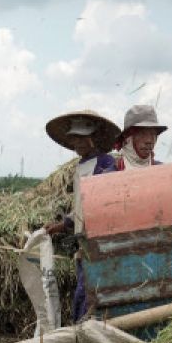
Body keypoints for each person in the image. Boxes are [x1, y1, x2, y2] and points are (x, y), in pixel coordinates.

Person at [40, 110, 120, 322]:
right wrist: (62, 225)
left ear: (94, 138)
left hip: (97, 238)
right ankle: (80, 326)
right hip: (82, 239)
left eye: (84, 137)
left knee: (88, 290)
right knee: (83, 289)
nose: (80, 143)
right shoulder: (80, 167)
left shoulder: (105, 163)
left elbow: (103, 201)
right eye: (76, 138)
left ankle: (83, 327)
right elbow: (80, 207)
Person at [114, 104, 167, 170]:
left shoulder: (162, 170)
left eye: (153, 134)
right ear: (127, 138)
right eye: (142, 134)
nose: (149, 141)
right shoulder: (109, 175)